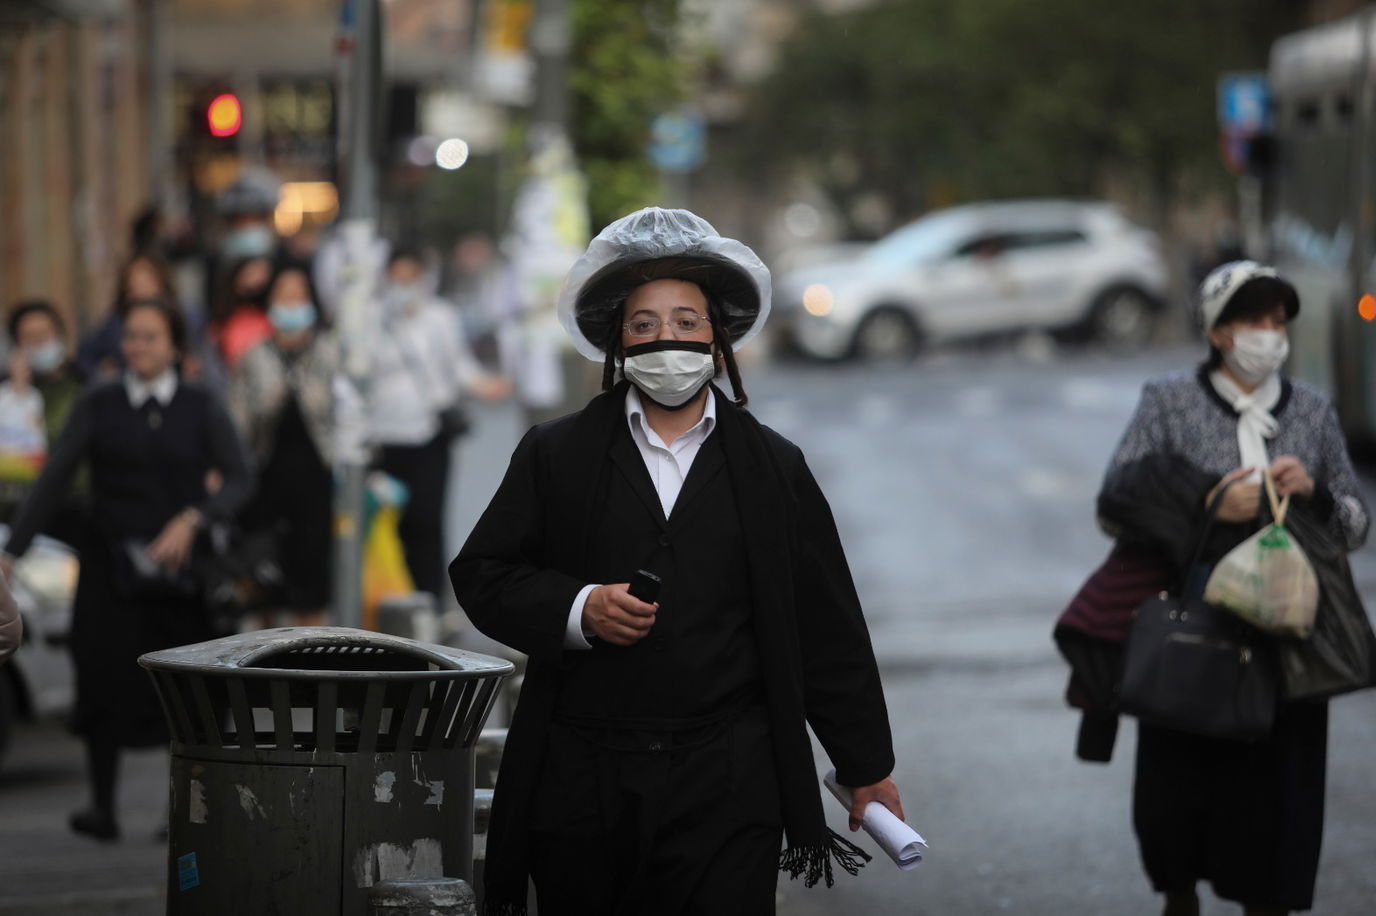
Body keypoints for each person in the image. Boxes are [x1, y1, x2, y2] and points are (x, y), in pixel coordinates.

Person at [450, 207, 902, 915]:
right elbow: (483, 574)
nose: (668, 338)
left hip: (729, 781)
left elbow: (825, 626)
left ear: (719, 342)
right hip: (582, 778)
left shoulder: (775, 467)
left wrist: (867, 765)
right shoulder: (556, 453)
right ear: (617, 345)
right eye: (645, 324)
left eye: (688, 321)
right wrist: (579, 609)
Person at [1096, 261, 1369, 916]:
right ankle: (1179, 891)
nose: (1270, 334)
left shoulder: (1311, 409)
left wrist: (1316, 492)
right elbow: (1116, 504)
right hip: (1194, 626)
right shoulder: (1168, 401)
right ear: (1219, 333)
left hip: (1286, 635)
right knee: (1179, 777)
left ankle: (1267, 899)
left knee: (1278, 791)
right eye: (1255, 320)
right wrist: (1209, 502)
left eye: (1279, 322)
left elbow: (1357, 525)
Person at [0, 298, 253, 842]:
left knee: (187, 695)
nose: (139, 347)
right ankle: (102, 806)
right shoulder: (100, 402)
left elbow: (238, 477)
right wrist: (12, 550)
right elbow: (56, 477)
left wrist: (194, 520)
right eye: (131, 337)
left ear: (175, 346)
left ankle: (182, 808)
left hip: (180, 577)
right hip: (110, 567)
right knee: (104, 680)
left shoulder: (200, 404)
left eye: (151, 337)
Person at [365, 245, 507, 600]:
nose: (403, 286)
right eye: (396, 278)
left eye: (410, 278)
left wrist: (484, 384)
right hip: (381, 438)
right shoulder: (371, 319)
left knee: (426, 520)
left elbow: (459, 366)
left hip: (429, 434)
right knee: (384, 523)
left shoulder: (440, 317)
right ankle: (388, 600)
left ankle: (429, 601)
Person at [227, 261, 361, 626]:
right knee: (265, 579)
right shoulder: (254, 356)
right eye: (283, 295)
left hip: (316, 480)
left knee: (312, 576)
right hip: (264, 479)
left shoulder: (330, 353)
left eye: (298, 294)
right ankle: (264, 663)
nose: (291, 303)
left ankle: (311, 660)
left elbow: (349, 417)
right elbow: (236, 421)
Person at [0, 302, 87, 539]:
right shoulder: (7, 395)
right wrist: (17, 397)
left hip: (76, 511)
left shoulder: (84, 387)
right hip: (18, 513)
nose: (38, 343)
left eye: (44, 334)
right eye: (29, 337)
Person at [75, 254, 176, 380]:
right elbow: (85, 357)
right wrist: (102, 373)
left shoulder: (177, 319)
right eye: (134, 290)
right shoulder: (114, 324)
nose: (141, 347)